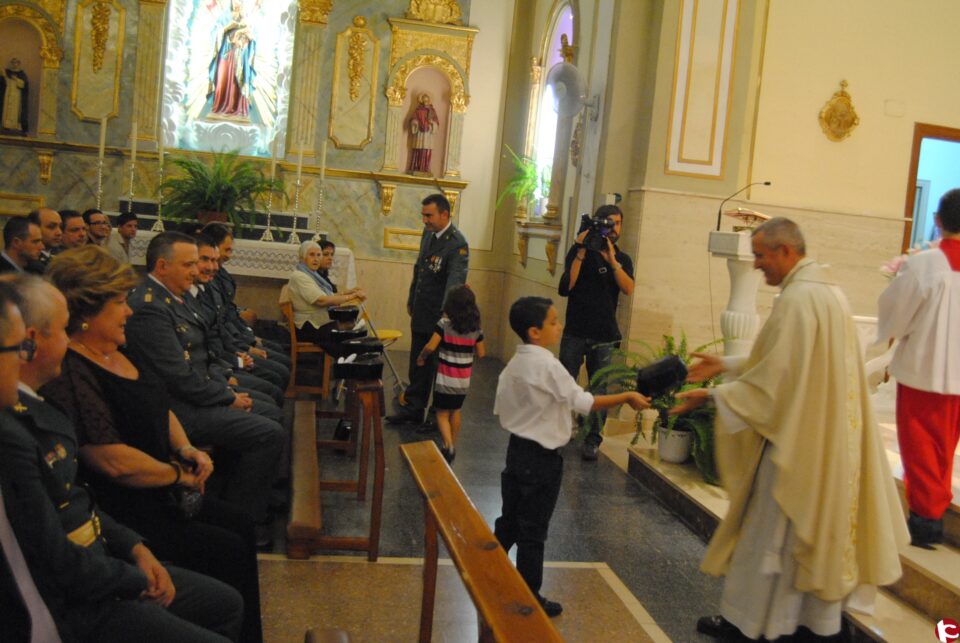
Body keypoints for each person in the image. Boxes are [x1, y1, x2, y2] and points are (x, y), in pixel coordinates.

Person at [676, 218, 907, 642]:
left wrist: (715, 397)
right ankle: (788, 625)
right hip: (824, 440)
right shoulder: (829, 293)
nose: (758, 264)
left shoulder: (799, 300)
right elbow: (790, 362)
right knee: (794, 548)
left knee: (773, 546)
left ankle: (757, 625)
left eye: (761, 255)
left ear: (786, 251)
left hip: (797, 448)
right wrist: (726, 365)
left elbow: (775, 385)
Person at [0, 275, 244, 642]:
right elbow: (53, 555)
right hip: (79, 599)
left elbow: (78, 498)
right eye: (12, 348)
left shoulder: (39, 407)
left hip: (105, 549)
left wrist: (134, 547)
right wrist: (132, 576)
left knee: (226, 598)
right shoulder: (14, 433)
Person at [494, 296, 649, 618]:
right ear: (535, 332)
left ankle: (487, 569)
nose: (559, 325)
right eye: (553, 321)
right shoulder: (548, 365)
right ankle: (530, 596)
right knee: (533, 530)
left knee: (510, 520)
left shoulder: (514, 365)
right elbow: (584, 402)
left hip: (516, 452)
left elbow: (502, 409)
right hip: (542, 459)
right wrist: (627, 396)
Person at [124, 232, 285, 543]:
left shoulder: (173, 297)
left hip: (198, 395)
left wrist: (225, 384)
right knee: (268, 433)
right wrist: (226, 396)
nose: (196, 270)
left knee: (269, 411)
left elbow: (204, 354)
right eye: (189, 264)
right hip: (176, 410)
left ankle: (248, 492)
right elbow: (178, 377)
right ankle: (241, 521)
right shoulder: (150, 307)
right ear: (162, 265)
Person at [878, 188, 960, 548]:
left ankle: (926, 520)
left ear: (938, 220)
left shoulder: (926, 265)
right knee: (945, 447)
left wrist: (892, 332)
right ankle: (932, 508)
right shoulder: (928, 265)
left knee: (921, 446)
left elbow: (896, 315)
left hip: (926, 367)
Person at [557, 203, 635, 461]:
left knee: (599, 388)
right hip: (576, 330)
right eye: (608, 223)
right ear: (598, 224)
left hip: (604, 333)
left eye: (617, 224)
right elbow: (567, 286)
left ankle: (592, 438)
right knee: (565, 381)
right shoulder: (580, 251)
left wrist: (612, 261)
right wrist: (580, 250)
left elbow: (628, 288)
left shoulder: (623, 260)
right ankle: (561, 428)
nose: (613, 229)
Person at [388, 194, 469, 426]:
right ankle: (414, 408)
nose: (424, 220)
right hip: (422, 310)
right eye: (423, 215)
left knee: (438, 367)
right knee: (418, 362)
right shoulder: (429, 234)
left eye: (429, 215)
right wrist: (412, 297)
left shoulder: (457, 243)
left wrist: (445, 318)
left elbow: (455, 283)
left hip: (439, 316)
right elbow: (420, 268)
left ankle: (436, 417)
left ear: (445, 214)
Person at [415, 285, 485, 463]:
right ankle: (452, 445)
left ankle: (448, 445)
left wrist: (421, 357)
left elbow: (431, 346)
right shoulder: (476, 329)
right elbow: (482, 353)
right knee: (456, 411)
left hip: (445, 379)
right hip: (463, 380)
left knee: (442, 413)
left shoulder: (444, 325)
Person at [286, 240, 365, 344]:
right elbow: (321, 300)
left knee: (355, 326)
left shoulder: (310, 274)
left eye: (318, 255)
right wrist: (352, 296)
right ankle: (348, 357)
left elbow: (328, 295)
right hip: (308, 326)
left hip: (316, 321)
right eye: (312, 255)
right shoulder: (300, 276)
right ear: (302, 258)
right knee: (351, 333)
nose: (316, 259)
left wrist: (349, 293)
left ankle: (352, 356)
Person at [208, 0, 256, 118]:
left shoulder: (245, 18)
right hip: (225, 53)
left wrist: (245, 36)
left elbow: (252, 38)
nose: (237, 3)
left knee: (237, 81)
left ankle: (238, 108)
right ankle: (220, 106)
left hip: (239, 55)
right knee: (222, 79)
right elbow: (214, 33)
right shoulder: (224, 17)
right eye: (234, 0)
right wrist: (226, 28)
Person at [408, 93, 439, 175]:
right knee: (418, 150)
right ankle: (416, 166)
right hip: (419, 133)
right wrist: (415, 122)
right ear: (422, 100)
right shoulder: (417, 110)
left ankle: (425, 167)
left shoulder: (432, 111)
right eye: (424, 100)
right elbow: (413, 119)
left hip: (428, 133)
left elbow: (436, 122)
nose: (426, 101)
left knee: (426, 150)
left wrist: (432, 123)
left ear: (429, 100)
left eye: (427, 100)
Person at [0, 58, 28, 135]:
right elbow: (5, 81)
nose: (14, 64)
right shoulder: (8, 72)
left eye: (16, 63)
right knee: (7, 108)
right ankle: (6, 125)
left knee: (15, 109)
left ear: (19, 64)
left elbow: (23, 84)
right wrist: (4, 76)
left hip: (16, 94)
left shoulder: (21, 74)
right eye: (13, 63)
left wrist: (16, 79)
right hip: (8, 93)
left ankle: (14, 125)